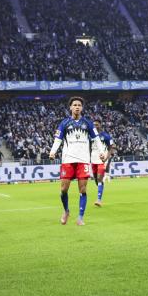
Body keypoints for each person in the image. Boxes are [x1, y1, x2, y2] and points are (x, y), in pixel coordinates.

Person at [49, 97, 106, 226]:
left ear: (82, 108)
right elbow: (58, 139)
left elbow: (96, 139)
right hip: (68, 160)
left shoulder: (88, 123)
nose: (77, 107)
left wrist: (102, 152)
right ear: (70, 107)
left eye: (79, 105)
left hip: (83, 161)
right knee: (63, 189)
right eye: (74, 105)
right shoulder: (64, 123)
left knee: (83, 189)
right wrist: (53, 151)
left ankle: (80, 217)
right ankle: (66, 211)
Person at [91, 120, 115, 206]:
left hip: (102, 160)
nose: (95, 126)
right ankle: (100, 188)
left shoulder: (106, 136)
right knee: (96, 180)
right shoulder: (91, 135)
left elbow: (111, 148)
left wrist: (106, 158)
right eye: (94, 125)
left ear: (100, 125)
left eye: (97, 125)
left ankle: (98, 200)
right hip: (93, 160)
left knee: (99, 178)